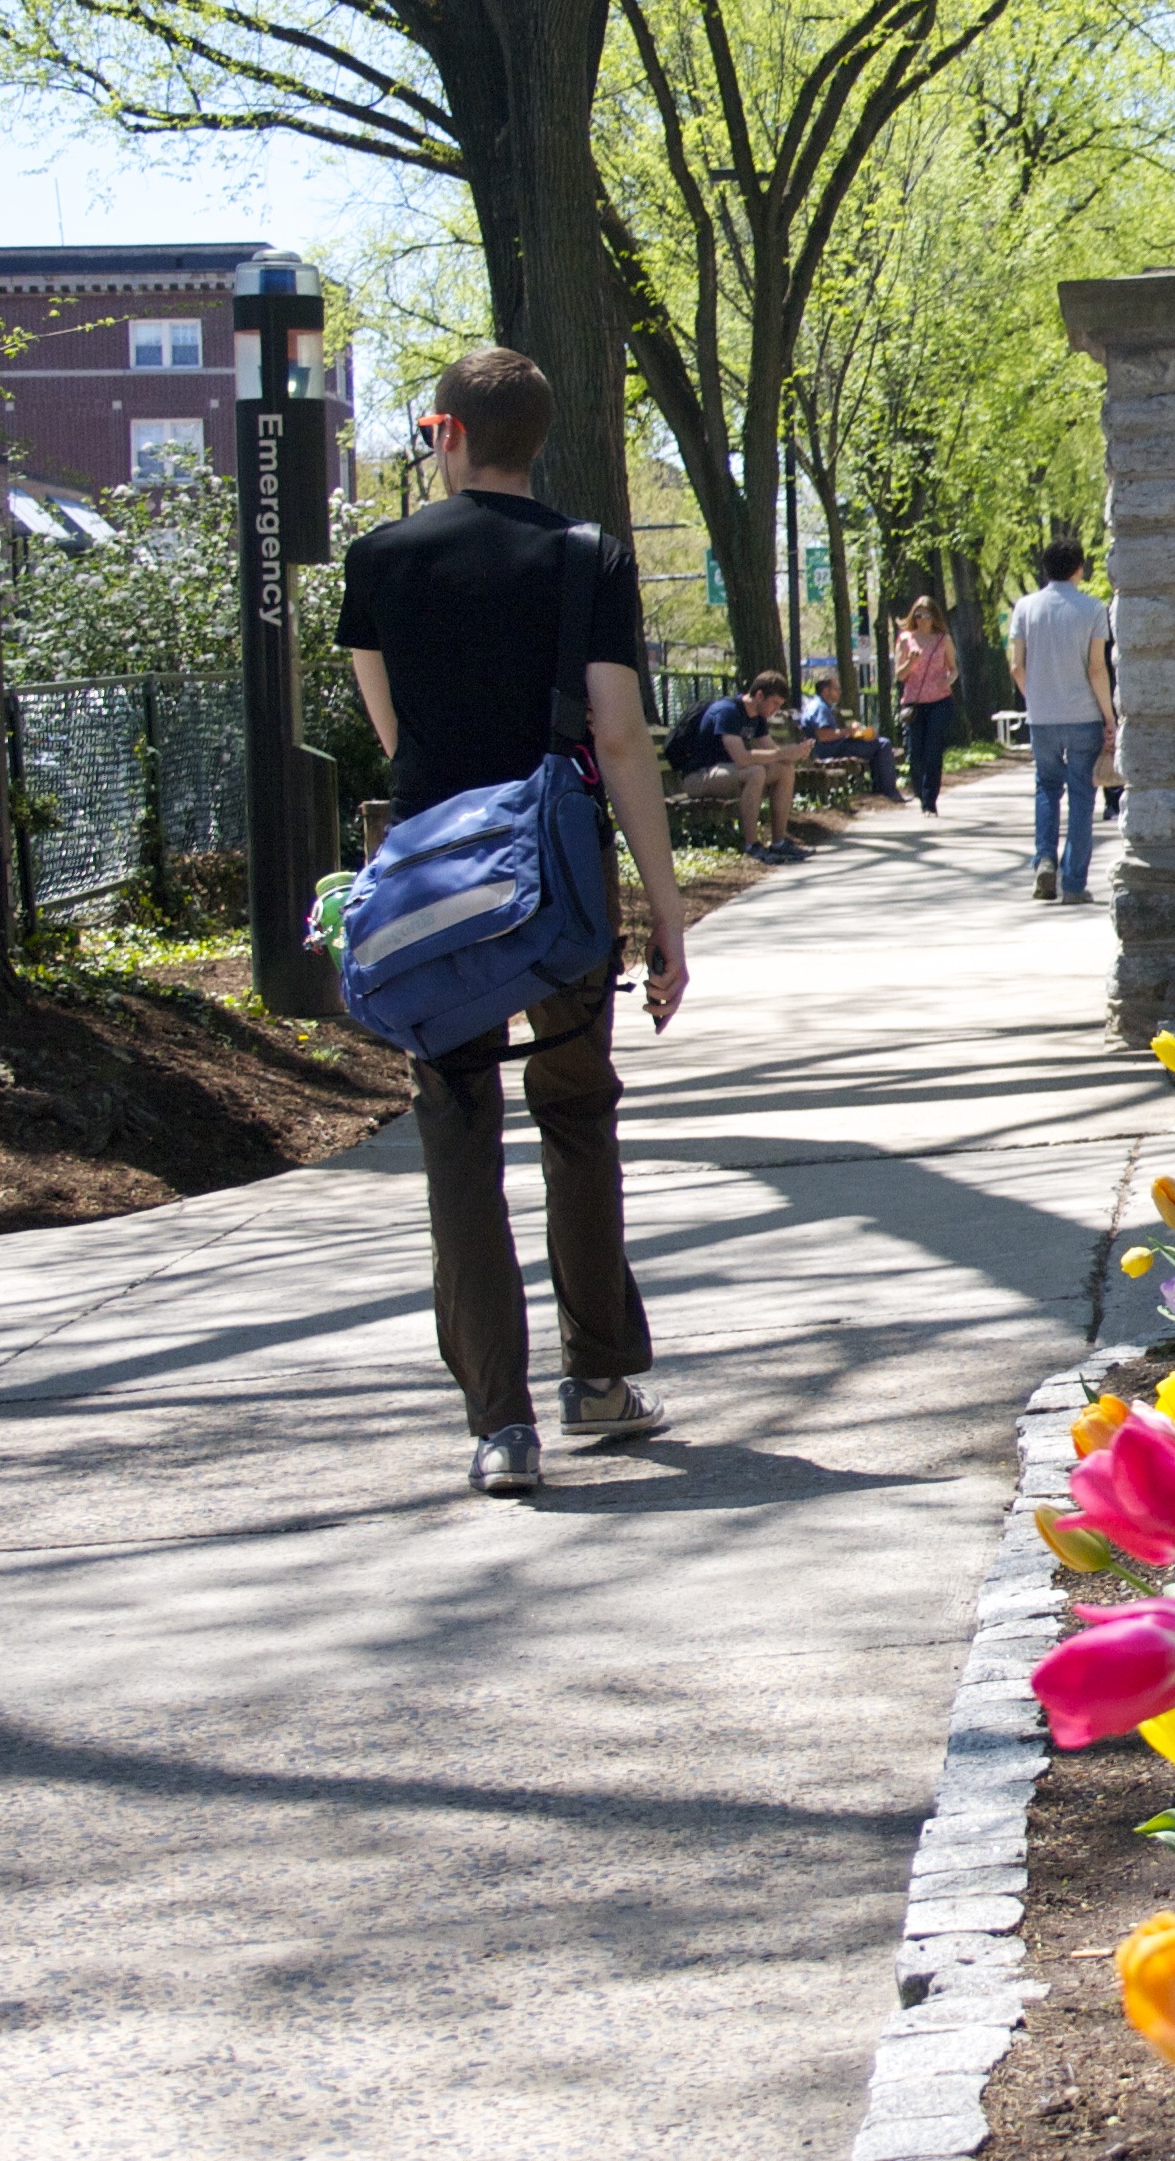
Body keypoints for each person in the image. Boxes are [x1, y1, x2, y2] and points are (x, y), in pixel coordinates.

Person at [338, 346, 690, 1499]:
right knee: (579, 1110)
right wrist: (666, 913)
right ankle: (598, 1376)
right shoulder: (586, 558)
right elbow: (623, 739)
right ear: (539, 440)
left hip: (440, 880)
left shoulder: (379, 559)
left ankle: (500, 1423)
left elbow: (395, 737)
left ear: (444, 433)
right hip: (561, 873)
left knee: (457, 1132)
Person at [1007, 534, 1116, 903]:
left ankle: (1044, 862)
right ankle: (1073, 883)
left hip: (1042, 718)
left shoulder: (1025, 607)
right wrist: (1109, 717)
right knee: (1083, 797)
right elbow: (1097, 669)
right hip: (1083, 715)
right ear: (1078, 568)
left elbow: (1016, 666)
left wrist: (1035, 699)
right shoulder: (1093, 609)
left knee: (1047, 788)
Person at [669, 672, 810, 860]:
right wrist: (783, 753)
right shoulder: (728, 711)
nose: (776, 709)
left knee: (784, 770)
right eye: (774, 703)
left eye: (780, 705)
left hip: (728, 773)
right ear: (759, 695)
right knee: (755, 772)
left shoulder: (758, 717)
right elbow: (742, 758)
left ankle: (779, 843)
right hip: (698, 777)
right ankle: (751, 845)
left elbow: (773, 753)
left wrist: (796, 753)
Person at [895, 598, 961, 813]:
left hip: (939, 701)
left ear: (935, 617)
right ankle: (918, 790)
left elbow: (953, 669)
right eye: (918, 615)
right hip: (914, 703)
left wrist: (948, 680)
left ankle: (929, 800)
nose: (922, 620)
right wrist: (910, 662)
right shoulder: (905, 640)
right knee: (915, 753)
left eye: (927, 615)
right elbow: (899, 674)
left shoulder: (943, 639)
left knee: (933, 751)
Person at [799, 672, 898, 800]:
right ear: (825, 690)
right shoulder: (821, 708)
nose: (840, 692)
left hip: (825, 748)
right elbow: (823, 735)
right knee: (883, 744)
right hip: (828, 750)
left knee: (877, 743)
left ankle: (881, 790)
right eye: (836, 688)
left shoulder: (815, 704)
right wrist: (848, 732)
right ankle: (889, 792)